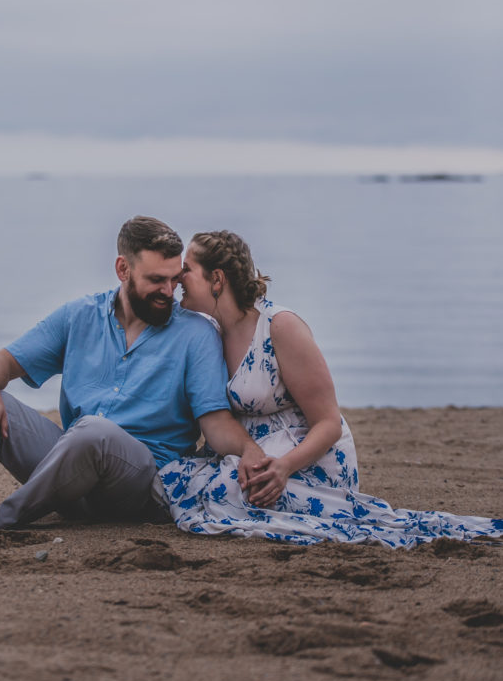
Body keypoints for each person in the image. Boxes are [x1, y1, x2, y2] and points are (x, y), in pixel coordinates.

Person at [0, 217, 272, 534]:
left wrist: (249, 451)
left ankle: (3, 515)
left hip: (140, 480)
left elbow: (214, 422)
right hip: (67, 470)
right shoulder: (79, 316)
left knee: (92, 431)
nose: (168, 292)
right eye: (155, 280)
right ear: (123, 270)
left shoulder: (195, 334)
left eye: (174, 281)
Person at [154, 230, 503, 547]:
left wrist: (284, 467)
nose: (178, 278)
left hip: (307, 456)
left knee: (224, 490)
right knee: (177, 479)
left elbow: (329, 423)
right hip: (254, 452)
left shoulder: (280, 327)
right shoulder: (209, 331)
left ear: (217, 279)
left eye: (187, 269)